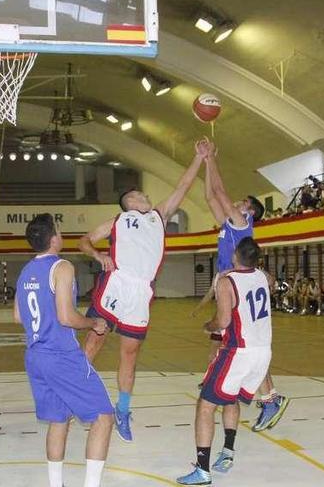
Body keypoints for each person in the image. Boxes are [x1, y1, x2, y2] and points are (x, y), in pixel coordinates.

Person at [80, 138, 208, 442]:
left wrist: (199, 158)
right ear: (130, 202)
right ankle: (77, 394)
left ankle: (123, 410)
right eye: (140, 193)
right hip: (116, 285)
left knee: (130, 355)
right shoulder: (118, 220)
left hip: (140, 293)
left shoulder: (158, 217)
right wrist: (97, 255)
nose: (146, 195)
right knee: (93, 342)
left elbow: (183, 187)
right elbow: (85, 240)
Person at [195, 143, 287, 472]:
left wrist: (212, 158)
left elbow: (219, 189)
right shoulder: (230, 224)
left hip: (234, 286)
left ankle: (271, 396)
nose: (239, 201)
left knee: (238, 344)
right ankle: (254, 393)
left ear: (248, 212)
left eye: (246, 202)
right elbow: (209, 196)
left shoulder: (240, 221)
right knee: (230, 347)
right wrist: (206, 164)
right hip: (229, 283)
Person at [16, 214, 114, 487]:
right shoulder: (62, 267)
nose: (61, 232)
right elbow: (66, 317)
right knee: (104, 417)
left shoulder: (25, 271)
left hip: (35, 356)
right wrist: (94, 323)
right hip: (60, 355)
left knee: (59, 420)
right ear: (53, 237)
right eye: (59, 229)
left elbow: (17, 314)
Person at [177, 238, 274, 486]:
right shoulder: (264, 277)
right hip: (262, 353)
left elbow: (222, 322)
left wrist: (206, 325)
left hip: (237, 352)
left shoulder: (226, 282)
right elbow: (271, 281)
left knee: (205, 406)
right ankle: (228, 453)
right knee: (230, 398)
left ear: (235, 256)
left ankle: (202, 470)